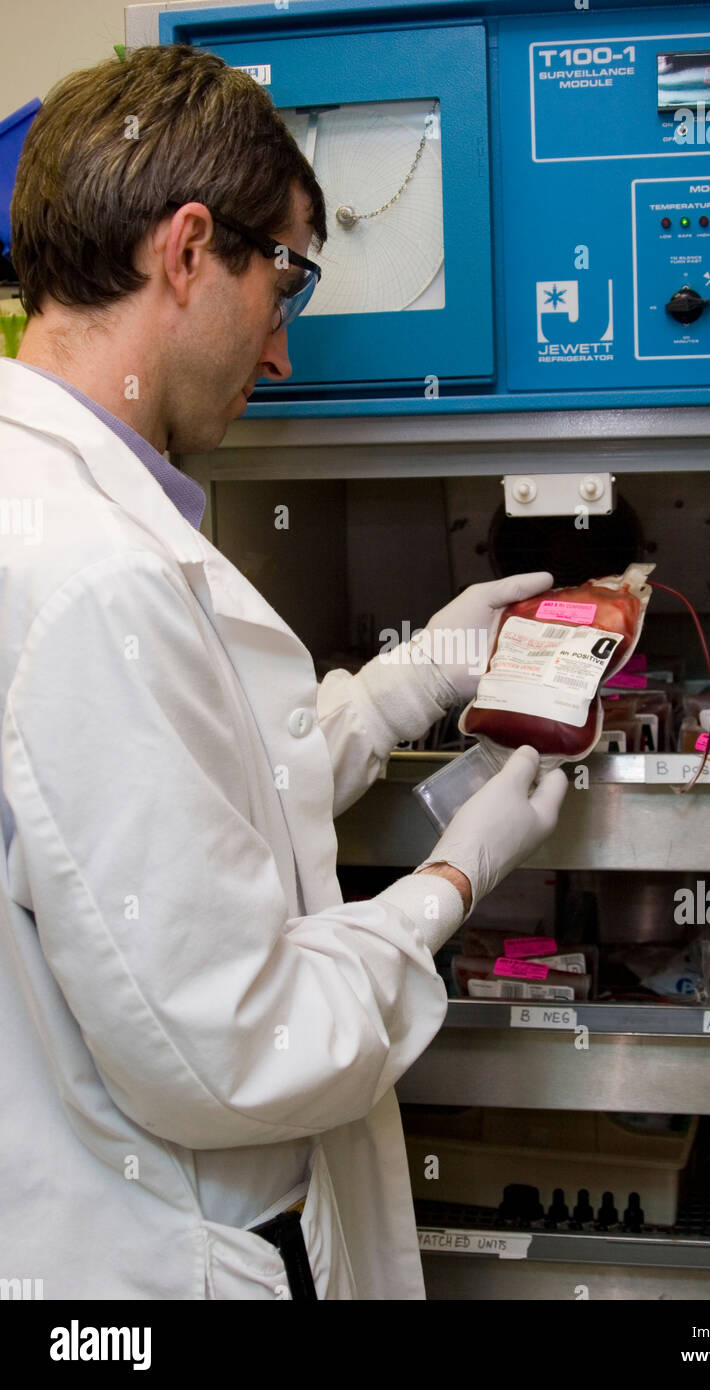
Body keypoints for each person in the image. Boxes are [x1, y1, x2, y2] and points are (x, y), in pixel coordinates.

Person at [0, 43, 567, 1300]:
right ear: (189, 249)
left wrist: (427, 669)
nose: (282, 357)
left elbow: (206, 780)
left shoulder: (52, 507)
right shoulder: (97, 573)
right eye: (289, 285)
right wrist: (450, 878)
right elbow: (234, 1046)